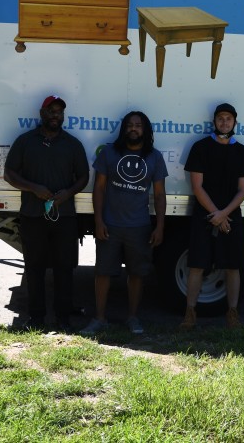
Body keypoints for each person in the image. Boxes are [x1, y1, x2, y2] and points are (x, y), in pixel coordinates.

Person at [4, 95, 90, 331]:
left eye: (59, 112)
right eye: (51, 111)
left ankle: (63, 318)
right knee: (34, 267)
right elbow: (9, 174)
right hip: (32, 215)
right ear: (42, 114)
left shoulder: (72, 144)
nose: (55, 116)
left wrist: (68, 193)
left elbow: (84, 177)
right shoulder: (25, 142)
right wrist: (34, 188)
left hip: (65, 217)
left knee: (64, 268)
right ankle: (37, 318)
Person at [81, 111, 167, 335]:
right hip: (110, 224)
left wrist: (160, 226)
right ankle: (99, 318)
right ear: (124, 129)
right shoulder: (109, 153)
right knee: (103, 272)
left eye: (138, 125)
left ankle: (133, 318)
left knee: (137, 274)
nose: (133, 129)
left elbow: (159, 195)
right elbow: (98, 188)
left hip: (139, 227)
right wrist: (98, 220)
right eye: (130, 125)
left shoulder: (155, 157)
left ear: (145, 130)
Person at [180, 103, 244, 329]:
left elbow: (243, 190)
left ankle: (232, 313)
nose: (224, 122)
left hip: (230, 215)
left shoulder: (242, 152)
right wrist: (216, 214)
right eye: (220, 118)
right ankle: (190, 313)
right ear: (214, 121)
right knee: (196, 264)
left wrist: (223, 215)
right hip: (205, 214)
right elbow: (197, 186)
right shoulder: (200, 148)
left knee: (233, 266)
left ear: (235, 123)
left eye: (229, 119)